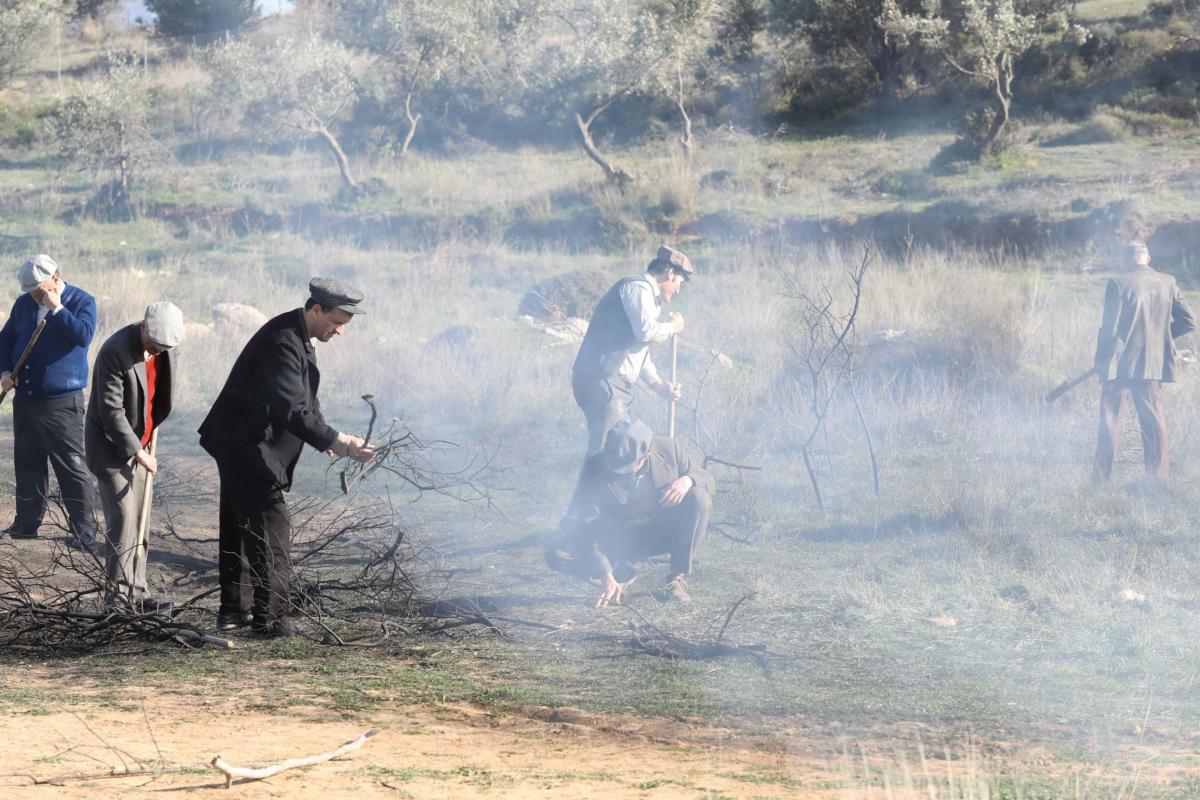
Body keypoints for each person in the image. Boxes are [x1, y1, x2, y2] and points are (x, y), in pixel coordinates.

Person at [198, 278, 375, 637]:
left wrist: (326, 436)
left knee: (240, 526)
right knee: (271, 528)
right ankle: (272, 621)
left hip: (236, 440)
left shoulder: (297, 336)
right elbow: (292, 410)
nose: (340, 332)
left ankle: (235, 612)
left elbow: (304, 400)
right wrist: (341, 443)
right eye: (337, 322)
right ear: (316, 309)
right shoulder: (284, 342)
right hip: (246, 445)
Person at [545, 419, 713, 607]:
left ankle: (676, 578)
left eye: (623, 468)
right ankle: (620, 572)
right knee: (557, 553)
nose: (616, 471)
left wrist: (688, 480)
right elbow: (585, 522)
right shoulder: (595, 465)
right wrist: (604, 572)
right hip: (618, 536)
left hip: (662, 532)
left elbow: (707, 479)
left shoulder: (669, 449)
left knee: (699, 498)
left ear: (646, 456)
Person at [85, 302, 184, 612]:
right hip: (110, 447)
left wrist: (150, 432)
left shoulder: (168, 345)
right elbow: (111, 412)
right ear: (143, 327)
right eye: (153, 344)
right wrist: (138, 452)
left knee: (141, 516)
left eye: (163, 347)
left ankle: (137, 593)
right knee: (124, 519)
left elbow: (158, 393)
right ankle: (116, 600)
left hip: (144, 441)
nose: (157, 351)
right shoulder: (114, 351)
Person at [0, 255, 98, 550]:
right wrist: (5, 371)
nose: (34, 296)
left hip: (61, 403)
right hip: (26, 398)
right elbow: (4, 341)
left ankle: (84, 533)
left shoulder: (82, 301)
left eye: (39, 289)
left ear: (55, 278)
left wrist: (57, 308)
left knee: (71, 466)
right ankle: (26, 524)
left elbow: (83, 336)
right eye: (31, 290)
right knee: (27, 462)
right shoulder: (24, 305)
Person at [571, 245, 693, 455]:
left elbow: (637, 350)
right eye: (679, 283)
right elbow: (646, 332)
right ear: (670, 273)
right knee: (610, 450)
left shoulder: (649, 298)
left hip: (611, 383)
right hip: (604, 380)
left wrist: (657, 384)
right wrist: (673, 328)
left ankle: (597, 488)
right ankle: (591, 489)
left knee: (618, 448)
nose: (678, 290)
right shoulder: (638, 288)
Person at [1093, 241, 1196, 479]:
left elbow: (1108, 329)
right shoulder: (1168, 282)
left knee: (1110, 420)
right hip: (1153, 365)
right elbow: (1189, 321)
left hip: (1120, 367)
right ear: (1148, 259)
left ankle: (1100, 480)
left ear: (1125, 259)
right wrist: (1160, 338)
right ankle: (1157, 480)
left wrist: (1100, 361)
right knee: (1153, 421)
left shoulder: (1118, 283)